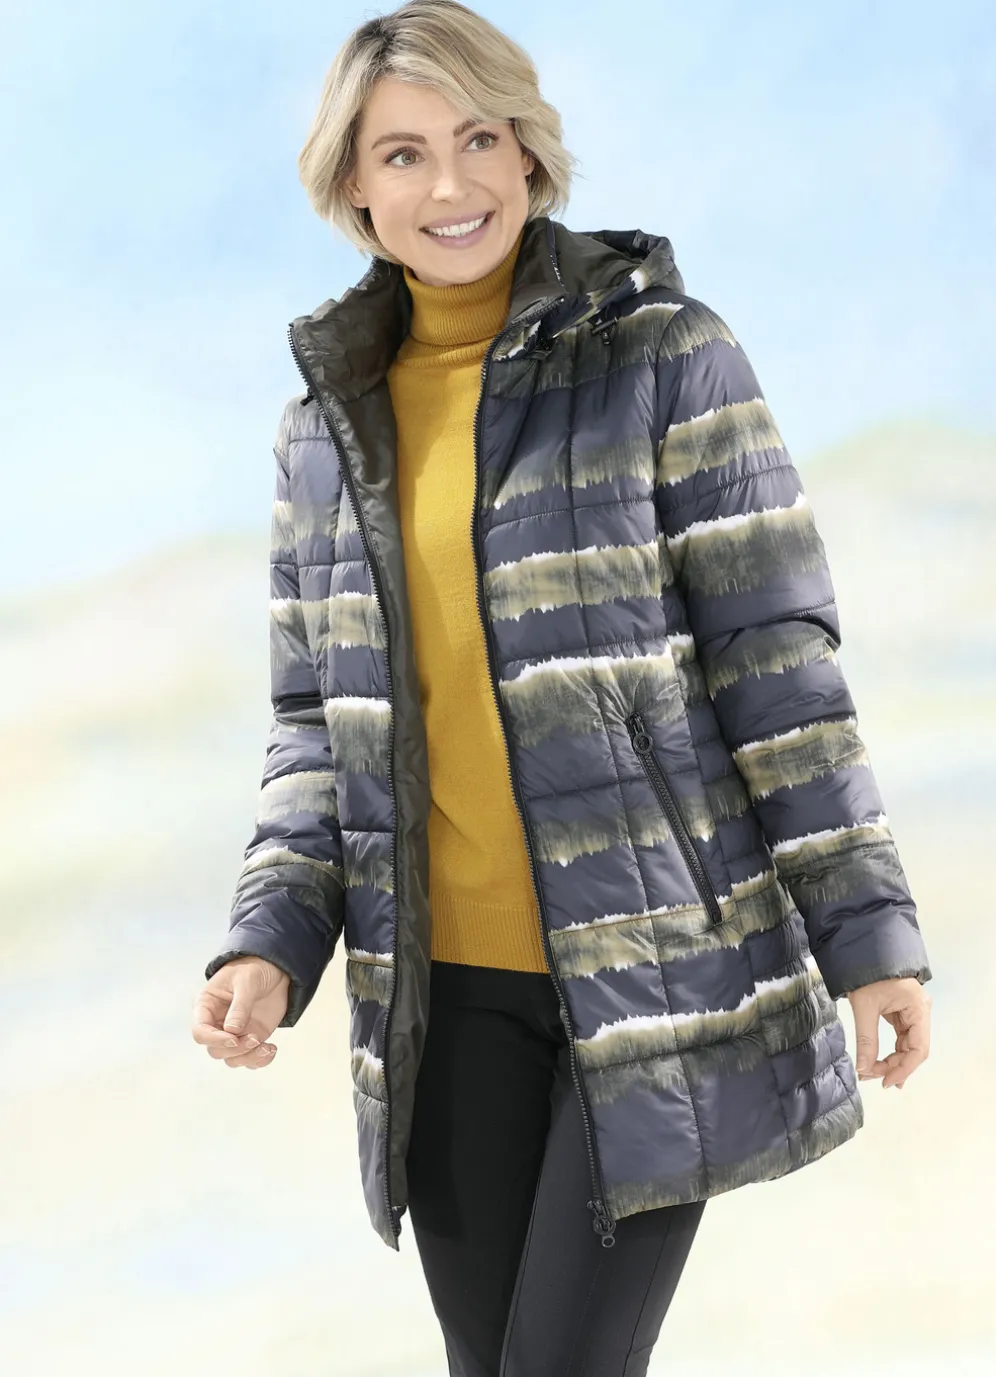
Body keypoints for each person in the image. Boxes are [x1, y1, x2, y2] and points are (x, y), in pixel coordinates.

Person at [190, 3, 933, 1373]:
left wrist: (869, 934)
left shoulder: (664, 356)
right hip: (440, 1002)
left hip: (652, 985)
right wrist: (268, 945)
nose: (452, 184)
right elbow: (317, 734)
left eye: (481, 139)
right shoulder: (325, 431)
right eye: (404, 154)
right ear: (353, 185)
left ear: (530, 153)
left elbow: (776, 663)